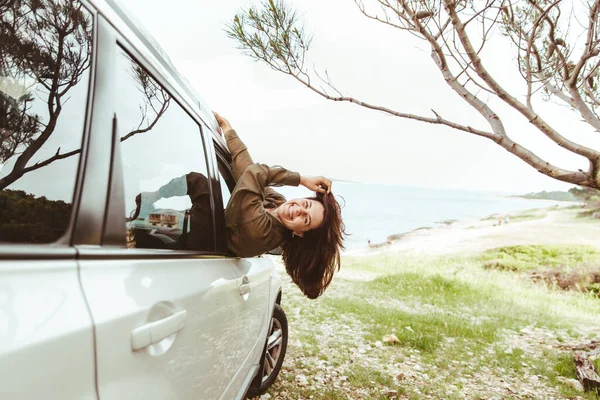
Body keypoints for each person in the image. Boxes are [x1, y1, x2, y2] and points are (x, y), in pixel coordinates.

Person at [214, 112, 346, 299]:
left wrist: (301, 180)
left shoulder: (261, 231)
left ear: (300, 233)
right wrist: (228, 129)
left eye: (305, 219)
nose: (299, 209)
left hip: (189, 243)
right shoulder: (277, 204)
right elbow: (246, 170)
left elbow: (255, 173)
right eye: (306, 204)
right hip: (181, 229)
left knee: (199, 182)